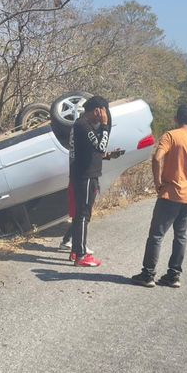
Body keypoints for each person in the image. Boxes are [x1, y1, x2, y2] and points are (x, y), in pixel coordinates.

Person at [131, 105, 187, 288]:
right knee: (181, 237)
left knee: (156, 235)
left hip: (170, 194)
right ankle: (173, 275)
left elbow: (157, 158)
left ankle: (147, 274)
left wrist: (157, 183)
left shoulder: (170, 136)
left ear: (175, 119)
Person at [68, 95, 111, 267]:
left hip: (84, 174)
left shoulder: (82, 125)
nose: (105, 115)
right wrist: (105, 126)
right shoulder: (83, 126)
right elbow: (101, 146)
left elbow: (94, 150)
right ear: (97, 111)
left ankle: (75, 251)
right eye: (104, 112)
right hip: (84, 176)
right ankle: (81, 255)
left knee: (81, 214)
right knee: (83, 214)